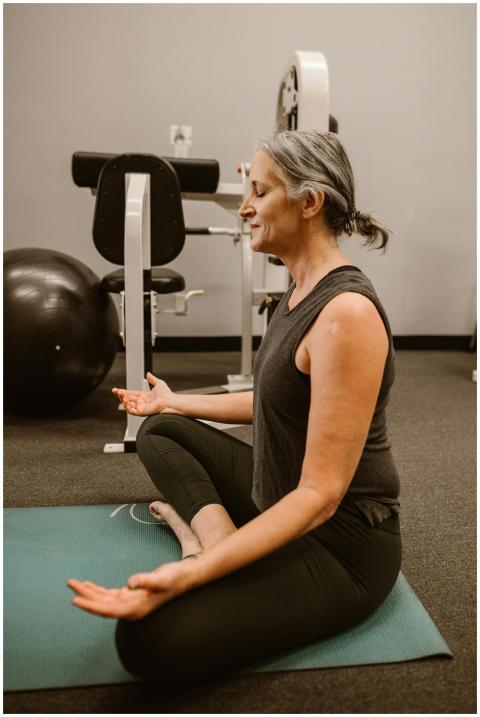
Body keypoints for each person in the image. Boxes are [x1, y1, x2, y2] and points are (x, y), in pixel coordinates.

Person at [68, 130, 401, 688]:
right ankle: (217, 537)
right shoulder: (297, 291)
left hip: (341, 544)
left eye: (260, 192)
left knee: (149, 638)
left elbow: (320, 498)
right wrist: (175, 400)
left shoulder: (346, 315)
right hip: (280, 497)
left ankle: (207, 549)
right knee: (162, 429)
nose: (245, 207)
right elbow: (274, 402)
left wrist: (195, 575)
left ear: (309, 202)